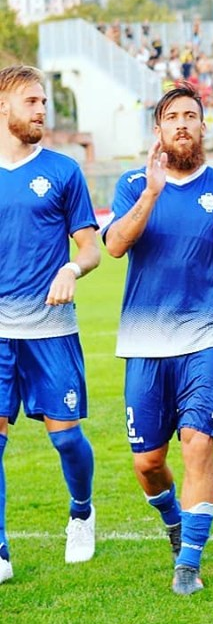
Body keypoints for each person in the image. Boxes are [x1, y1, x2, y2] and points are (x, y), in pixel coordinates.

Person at [102, 83, 213, 595]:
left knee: (198, 443)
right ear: (159, 129)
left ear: (203, 126)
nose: (182, 125)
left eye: (190, 116)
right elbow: (115, 246)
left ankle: (188, 565)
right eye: (172, 117)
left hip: (204, 337)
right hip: (145, 343)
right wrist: (152, 193)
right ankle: (174, 522)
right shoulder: (133, 184)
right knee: (149, 464)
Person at [0, 65, 101, 584]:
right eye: (32, 102)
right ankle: (0, 549)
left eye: (43, 102)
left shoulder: (63, 171)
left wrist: (71, 268)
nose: (42, 110)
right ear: (3, 107)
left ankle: (81, 512)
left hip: (51, 329)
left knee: (65, 440)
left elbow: (90, 247)